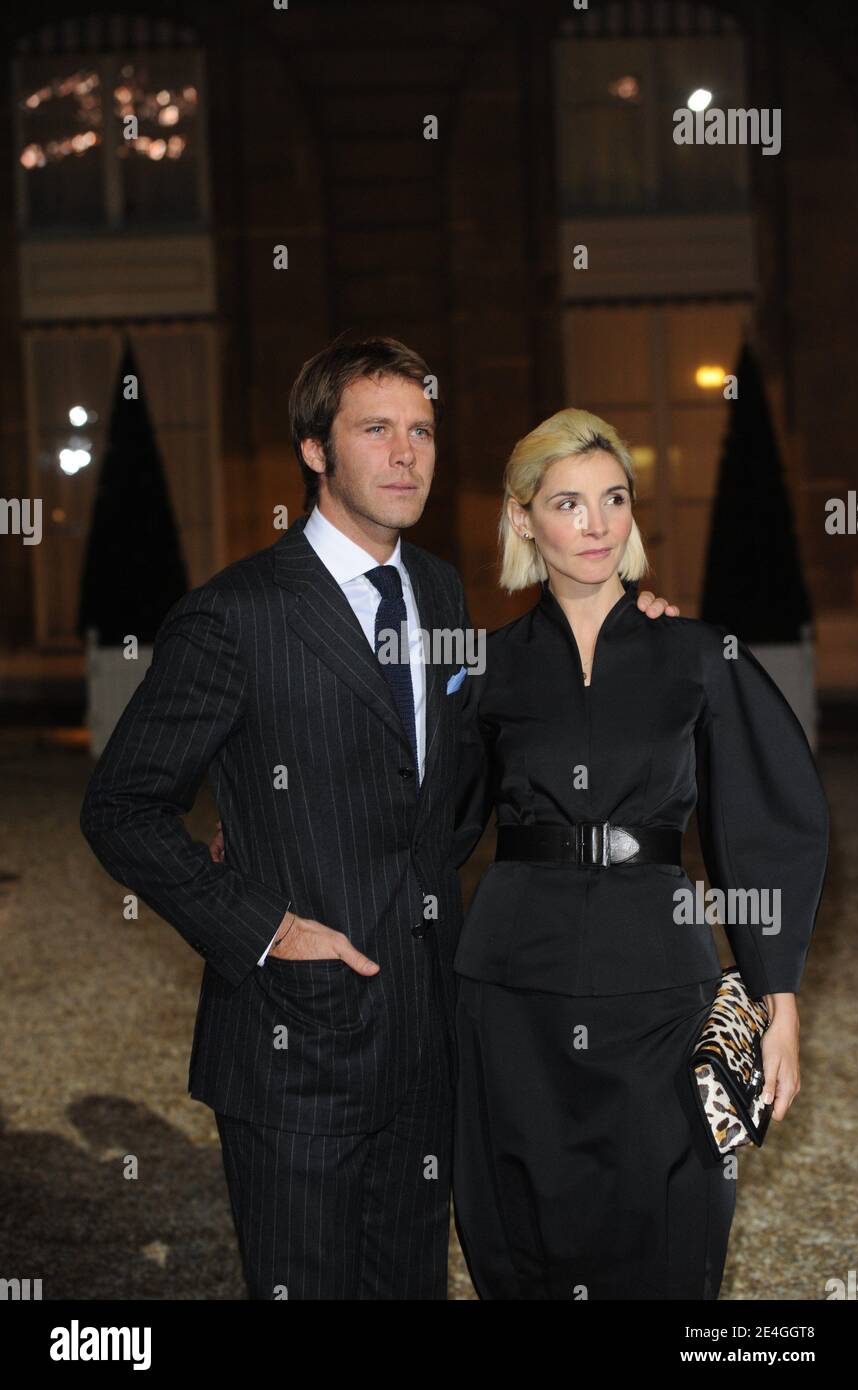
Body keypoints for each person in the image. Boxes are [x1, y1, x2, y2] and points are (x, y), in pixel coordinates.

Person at [79, 335, 676, 1301]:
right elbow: (120, 809)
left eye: (423, 431)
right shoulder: (235, 616)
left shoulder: (438, 591)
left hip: (425, 1034)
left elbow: (462, 780)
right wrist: (263, 927)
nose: (406, 455)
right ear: (316, 450)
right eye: (375, 431)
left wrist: (622, 619)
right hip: (294, 1047)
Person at [449, 407, 830, 1301]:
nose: (596, 525)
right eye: (568, 503)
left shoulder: (697, 655)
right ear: (521, 519)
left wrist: (777, 999)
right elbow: (426, 820)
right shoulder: (486, 667)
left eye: (613, 499)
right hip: (511, 991)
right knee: (523, 1232)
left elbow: (768, 818)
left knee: (670, 1225)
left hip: (661, 983)